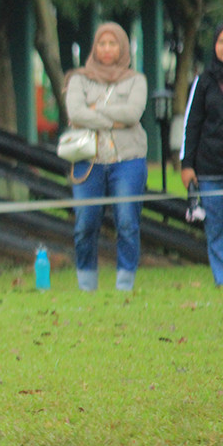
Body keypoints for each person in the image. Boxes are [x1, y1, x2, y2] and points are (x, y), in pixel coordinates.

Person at [65, 22, 148, 291]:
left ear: (122, 47)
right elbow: (75, 113)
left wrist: (96, 109)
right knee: (85, 224)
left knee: (126, 222)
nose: (107, 49)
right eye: (102, 44)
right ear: (94, 48)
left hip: (128, 160)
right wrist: (114, 115)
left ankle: (125, 283)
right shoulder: (78, 78)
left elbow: (133, 114)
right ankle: (86, 284)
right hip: (89, 161)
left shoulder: (136, 80)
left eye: (113, 43)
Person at [180, 21, 223, 286]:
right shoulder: (203, 81)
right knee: (218, 229)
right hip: (210, 170)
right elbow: (191, 125)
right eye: (221, 41)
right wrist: (186, 164)